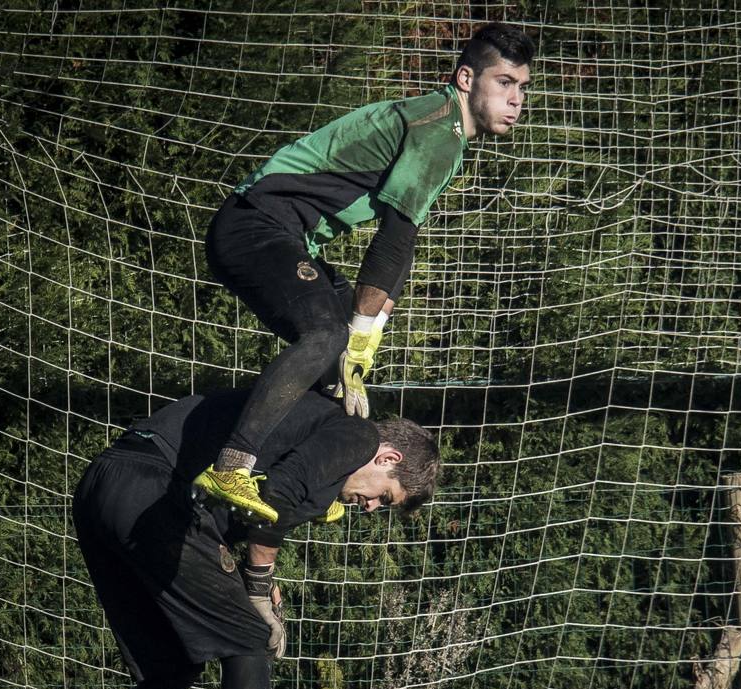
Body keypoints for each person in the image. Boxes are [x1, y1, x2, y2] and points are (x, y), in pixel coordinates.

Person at [72, 387, 439, 689]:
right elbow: (276, 496)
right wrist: (258, 587)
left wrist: (248, 574)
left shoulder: (313, 427)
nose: (371, 509)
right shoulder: (355, 434)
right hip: (152, 488)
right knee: (249, 639)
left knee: (166, 665)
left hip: (104, 485)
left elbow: (233, 508)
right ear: (387, 456)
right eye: (385, 497)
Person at [196, 22, 533, 520]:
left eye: (523, 87)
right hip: (255, 226)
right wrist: (358, 334)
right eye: (504, 82)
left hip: (282, 236)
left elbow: (401, 251)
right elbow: (392, 245)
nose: (516, 98)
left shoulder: (444, 131)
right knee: (326, 335)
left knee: (337, 365)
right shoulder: (439, 130)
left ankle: (303, 474)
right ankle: (232, 465)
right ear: (466, 79)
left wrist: (366, 340)